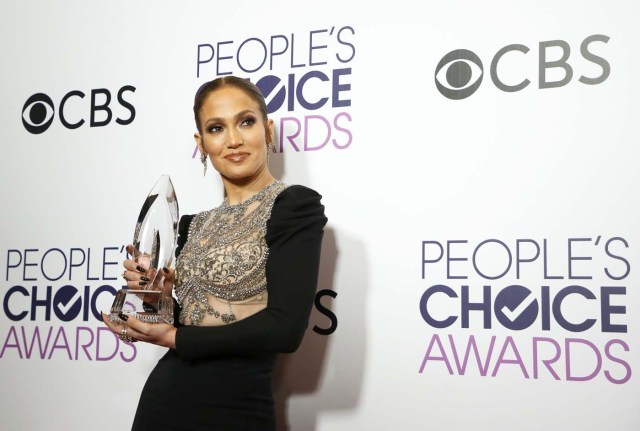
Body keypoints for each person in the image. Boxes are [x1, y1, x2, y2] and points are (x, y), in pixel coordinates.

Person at [102, 75, 327, 430]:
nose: (233, 140)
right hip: (162, 403)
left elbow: (285, 329)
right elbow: (194, 320)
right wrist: (157, 297)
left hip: (233, 407)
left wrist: (174, 338)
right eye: (216, 128)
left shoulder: (294, 206)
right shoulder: (192, 223)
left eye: (246, 121)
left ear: (268, 130)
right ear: (201, 142)